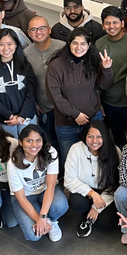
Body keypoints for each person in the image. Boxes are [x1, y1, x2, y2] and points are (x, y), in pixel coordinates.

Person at [46, 28, 114, 161]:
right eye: (75, 43)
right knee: (69, 159)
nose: (79, 47)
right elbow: (54, 95)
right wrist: (75, 114)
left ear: (88, 46)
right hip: (66, 125)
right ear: (69, 44)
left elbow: (104, 86)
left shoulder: (93, 62)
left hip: (93, 120)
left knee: (95, 158)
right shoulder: (56, 65)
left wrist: (106, 69)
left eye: (83, 44)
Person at [7, 125, 68, 242]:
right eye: (29, 140)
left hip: (45, 191)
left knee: (60, 205)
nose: (34, 145)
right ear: (20, 142)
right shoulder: (13, 163)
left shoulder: (50, 152)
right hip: (26, 196)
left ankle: (52, 220)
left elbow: (51, 187)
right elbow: (21, 198)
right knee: (33, 236)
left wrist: (43, 217)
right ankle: (46, 222)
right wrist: (41, 220)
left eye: (38, 140)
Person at [96, 5, 127, 144]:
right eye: (107, 23)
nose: (112, 26)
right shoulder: (99, 44)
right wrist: (98, 103)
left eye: (115, 22)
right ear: (103, 25)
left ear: (122, 23)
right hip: (108, 103)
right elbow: (95, 77)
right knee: (117, 140)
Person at [64, 120, 121, 238]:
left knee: (105, 223)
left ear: (105, 137)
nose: (94, 141)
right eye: (90, 136)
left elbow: (115, 184)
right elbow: (69, 180)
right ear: (85, 136)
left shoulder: (114, 151)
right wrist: (92, 194)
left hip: (107, 192)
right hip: (85, 190)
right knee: (77, 203)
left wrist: (96, 208)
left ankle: (93, 214)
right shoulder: (76, 149)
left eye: (99, 137)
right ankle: (86, 217)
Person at [0, 29, 38, 138]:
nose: (6, 48)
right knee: (9, 152)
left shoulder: (25, 64)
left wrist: (21, 116)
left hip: (26, 117)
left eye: (10, 44)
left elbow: (31, 93)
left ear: (16, 44)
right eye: (1, 44)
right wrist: (10, 115)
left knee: (30, 149)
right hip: (4, 120)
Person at [24, 16, 65, 149]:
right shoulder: (25, 54)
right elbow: (25, 81)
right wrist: (33, 102)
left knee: (66, 144)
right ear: (29, 33)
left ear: (49, 30)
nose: (38, 32)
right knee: (49, 144)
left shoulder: (63, 47)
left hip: (65, 108)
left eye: (42, 28)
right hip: (43, 109)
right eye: (34, 30)